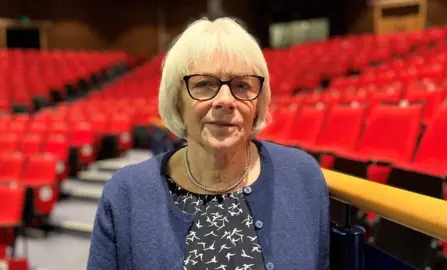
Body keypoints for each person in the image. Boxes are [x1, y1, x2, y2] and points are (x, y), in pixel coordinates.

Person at [87, 17, 330, 270]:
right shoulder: (126, 194)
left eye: (242, 85)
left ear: (258, 102)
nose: (225, 100)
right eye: (204, 84)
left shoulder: (302, 177)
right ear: (177, 100)